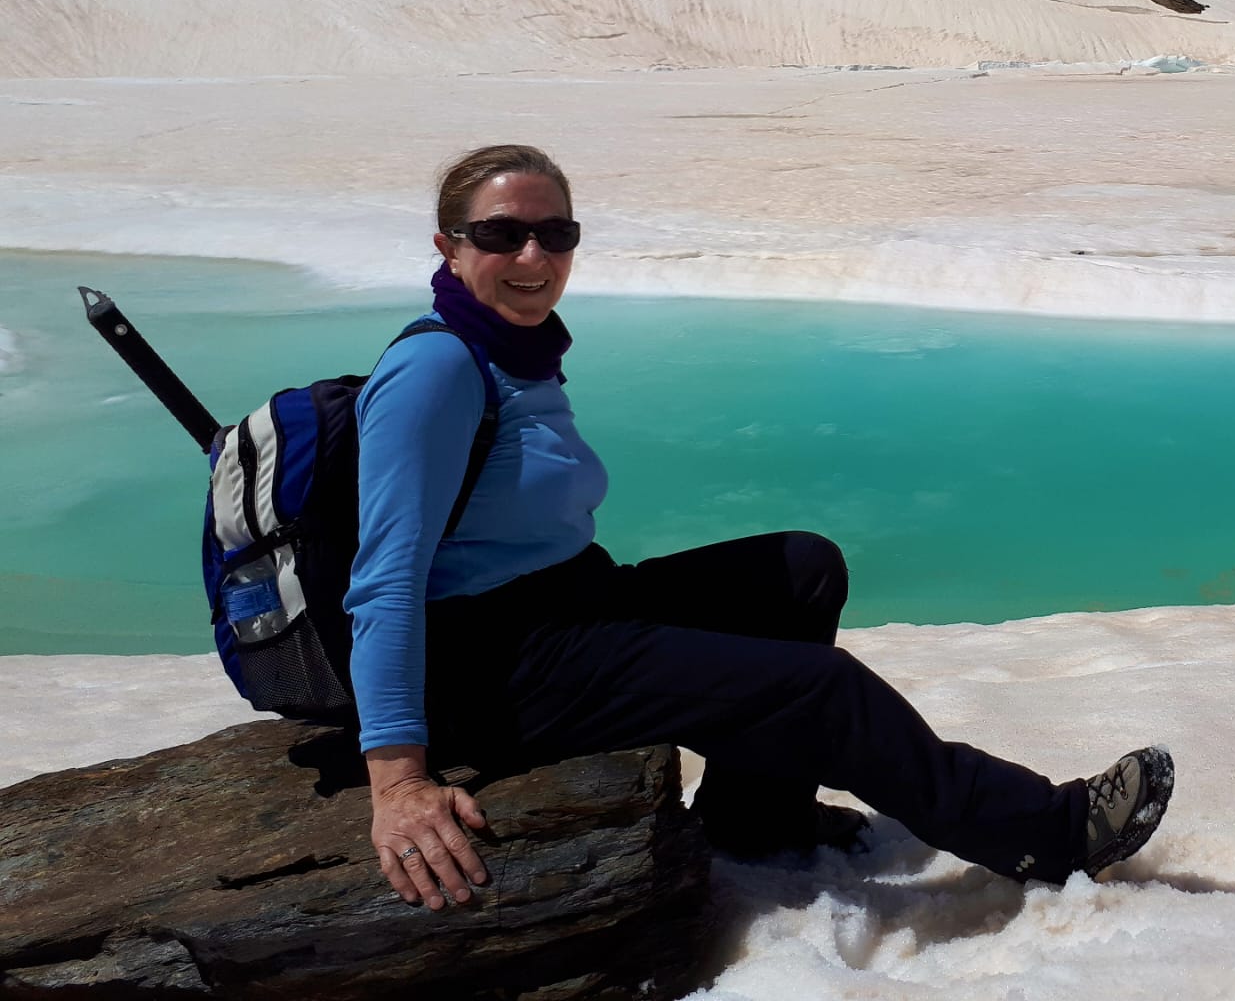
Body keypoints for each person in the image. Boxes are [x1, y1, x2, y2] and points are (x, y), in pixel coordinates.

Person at [347, 143, 1174, 910]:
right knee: (822, 688)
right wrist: (397, 782)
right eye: (503, 234)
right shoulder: (437, 367)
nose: (534, 257)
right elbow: (384, 579)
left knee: (801, 569)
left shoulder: (512, 350)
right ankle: (1049, 833)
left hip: (568, 600)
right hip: (492, 658)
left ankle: (757, 817)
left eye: (555, 232)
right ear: (448, 246)